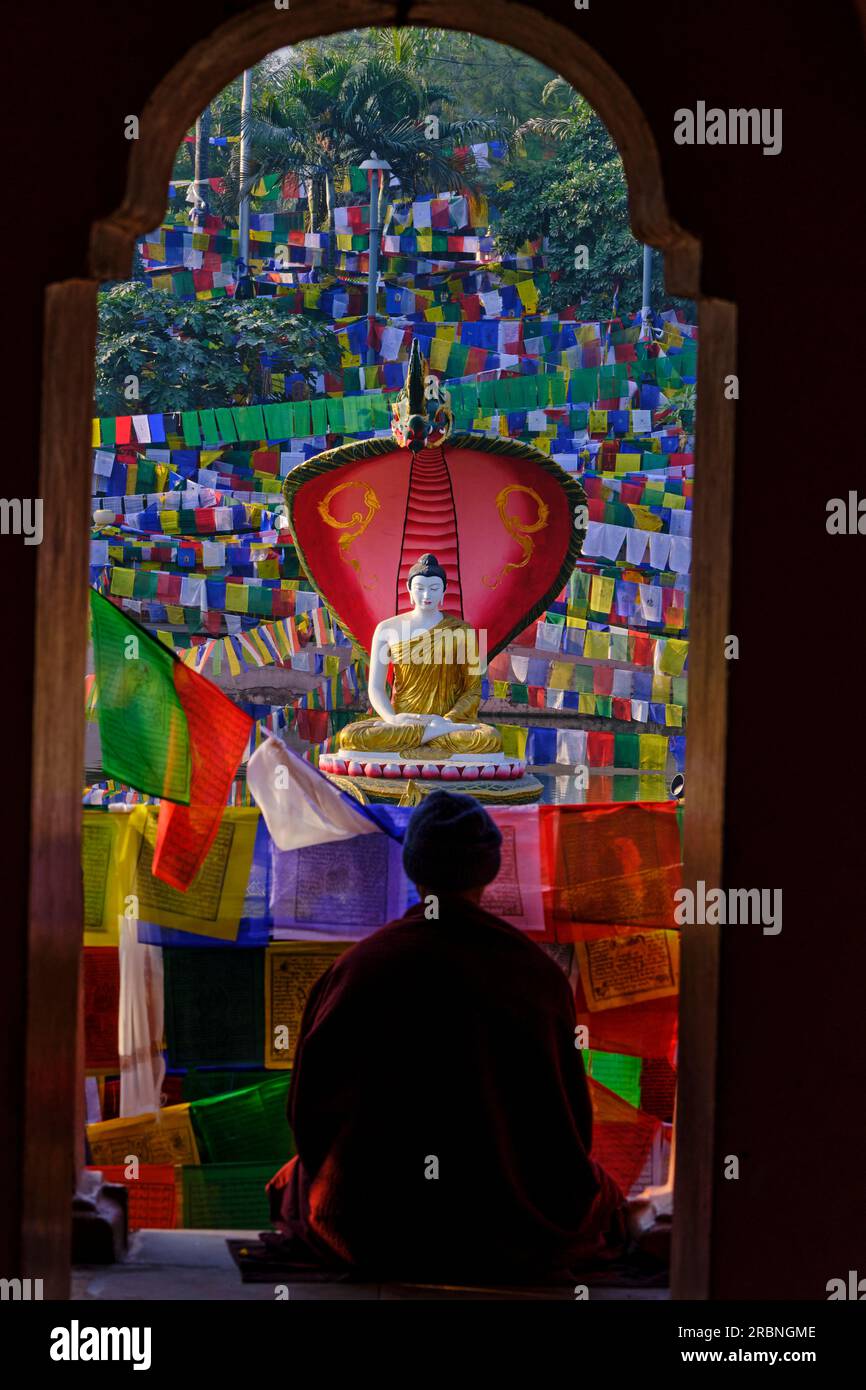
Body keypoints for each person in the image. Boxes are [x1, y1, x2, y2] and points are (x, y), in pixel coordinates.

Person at [265, 791, 632, 1283]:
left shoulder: (357, 969)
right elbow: (570, 1128)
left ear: (414, 869)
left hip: (371, 1229)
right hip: (515, 1229)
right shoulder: (535, 974)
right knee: (604, 1201)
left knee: (294, 1183)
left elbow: (307, 1116)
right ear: (489, 872)